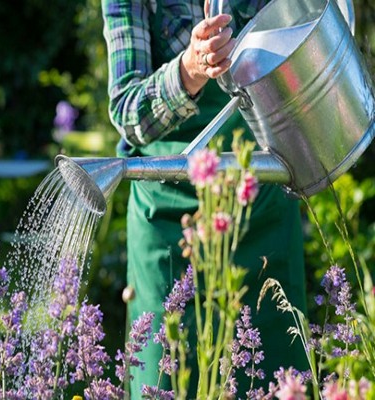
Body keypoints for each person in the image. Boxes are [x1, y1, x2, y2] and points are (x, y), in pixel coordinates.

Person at [100, 0, 308, 396]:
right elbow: (127, 110)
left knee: (274, 380)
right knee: (167, 378)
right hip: (168, 215)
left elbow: (306, 43)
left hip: (260, 197)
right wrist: (190, 69)